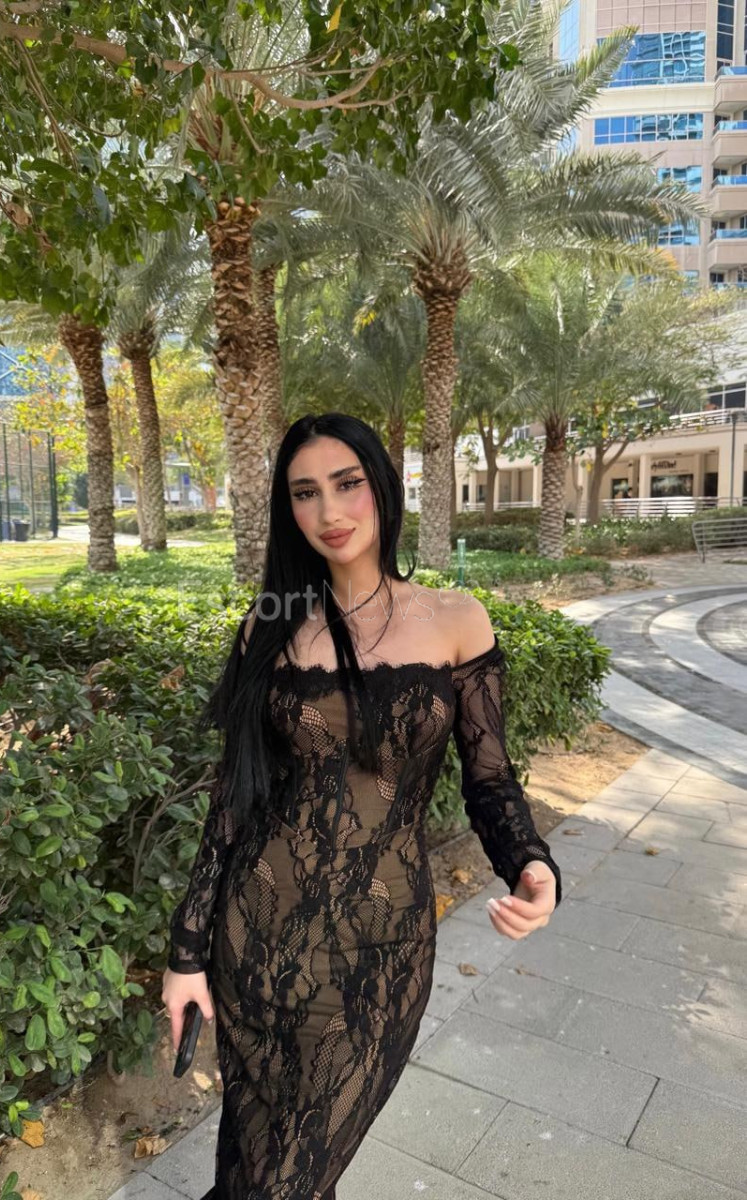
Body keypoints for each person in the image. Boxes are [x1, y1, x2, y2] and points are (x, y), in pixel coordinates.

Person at [162, 412, 562, 1199]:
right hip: (256, 942)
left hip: (379, 952)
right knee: (259, 1173)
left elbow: (488, 777)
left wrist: (529, 861)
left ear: (381, 484)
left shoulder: (455, 619)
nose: (328, 511)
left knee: (287, 1180)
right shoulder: (269, 628)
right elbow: (233, 797)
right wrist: (186, 954)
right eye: (304, 493)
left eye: (346, 484)